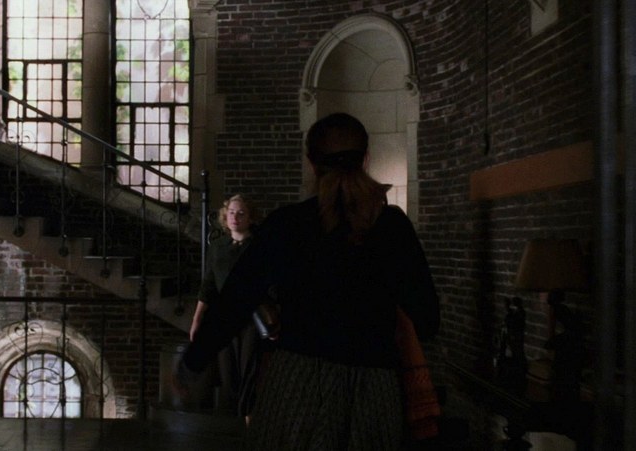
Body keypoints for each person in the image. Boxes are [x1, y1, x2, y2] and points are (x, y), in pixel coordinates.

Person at [177, 112, 440, 450]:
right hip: (373, 387)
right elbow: (427, 318)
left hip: (297, 385)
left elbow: (234, 301)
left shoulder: (287, 225)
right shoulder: (392, 227)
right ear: (365, 159)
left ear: (311, 164)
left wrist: (193, 362)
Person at [189, 193, 264, 424]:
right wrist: (197, 320)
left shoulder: (259, 246)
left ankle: (250, 419)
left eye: (241, 213)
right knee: (228, 373)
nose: (235, 217)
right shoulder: (218, 247)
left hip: (251, 317)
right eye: (231, 212)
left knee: (249, 369)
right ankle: (238, 419)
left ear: (250, 217)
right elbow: (208, 285)